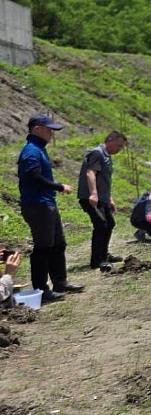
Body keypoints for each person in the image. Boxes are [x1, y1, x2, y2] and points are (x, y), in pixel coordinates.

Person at [17, 114, 84, 302]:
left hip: (46, 203)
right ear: (37, 128)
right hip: (37, 205)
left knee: (58, 244)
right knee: (43, 247)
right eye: (49, 130)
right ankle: (41, 289)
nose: (51, 134)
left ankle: (60, 282)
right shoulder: (31, 151)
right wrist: (58, 186)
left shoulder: (39, 149)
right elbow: (34, 176)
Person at [77, 131, 127, 272]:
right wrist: (93, 194)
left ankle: (104, 254)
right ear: (110, 140)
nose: (119, 149)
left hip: (102, 198)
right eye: (118, 145)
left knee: (110, 223)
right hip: (91, 197)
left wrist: (109, 198)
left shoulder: (107, 156)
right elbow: (90, 173)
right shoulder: (97, 153)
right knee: (101, 225)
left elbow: (104, 180)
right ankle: (97, 261)